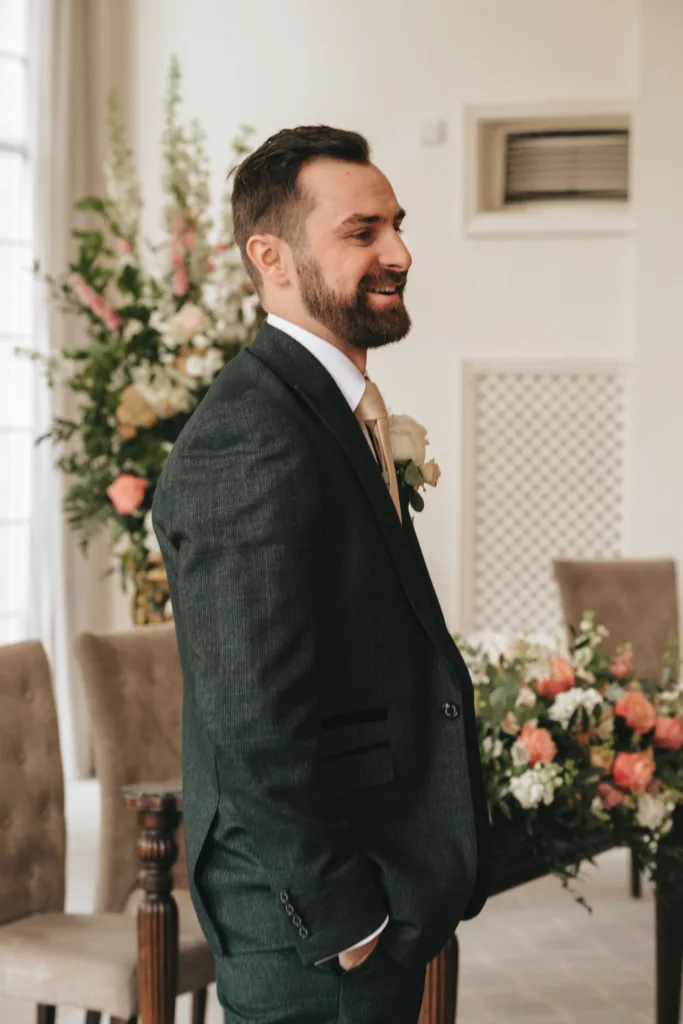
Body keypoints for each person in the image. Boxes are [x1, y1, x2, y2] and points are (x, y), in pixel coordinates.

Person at [152, 125, 490, 1024]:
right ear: (272, 257)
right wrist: (346, 918)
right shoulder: (246, 435)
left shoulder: (323, 409)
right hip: (309, 924)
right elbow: (253, 715)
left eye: (396, 225)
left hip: (374, 874)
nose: (400, 252)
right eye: (361, 232)